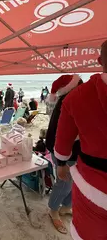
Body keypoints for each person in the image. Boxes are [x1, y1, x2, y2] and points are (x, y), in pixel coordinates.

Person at [54, 40, 107, 240]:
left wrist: (60, 163)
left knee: (89, 233)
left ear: (100, 60)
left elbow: (62, 141)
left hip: (94, 184)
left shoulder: (76, 97)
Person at [45, 74, 82, 234]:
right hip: (63, 152)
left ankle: (66, 207)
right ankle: (53, 210)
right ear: (71, 87)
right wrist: (60, 163)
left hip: (70, 151)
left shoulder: (72, 101)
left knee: (71, 181)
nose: (83, 86)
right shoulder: (68, 104)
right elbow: (61, 135)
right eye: (79, 83)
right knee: (64, 182)